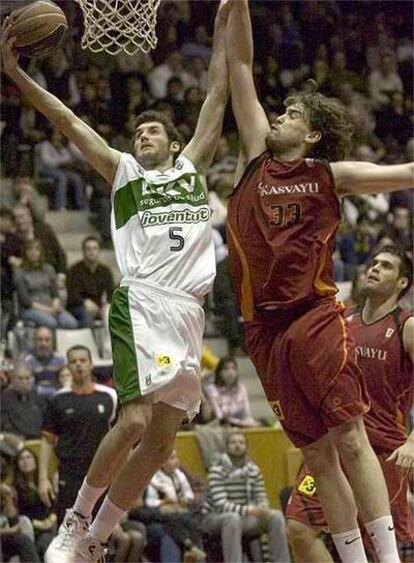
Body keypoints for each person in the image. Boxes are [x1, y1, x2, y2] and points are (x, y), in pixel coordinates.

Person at [1, 1, 231, 560]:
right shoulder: (124, 172)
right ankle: (73, 522)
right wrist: (13, 73)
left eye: (154, 130)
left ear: (175, 145)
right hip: (143, 300)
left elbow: (219, 94)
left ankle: (97, 539)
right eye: (140, 130)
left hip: (188, 312)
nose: (144, 135)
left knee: (157, 445)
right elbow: (67, 121)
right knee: (131, 419)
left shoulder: (191, 170)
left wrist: (231, 17)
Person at [225, 2, 413, 562]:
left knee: (349, 438)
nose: (278, 117)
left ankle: (384, 555)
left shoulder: (329, 176)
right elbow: (239, 65)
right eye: (278, 111)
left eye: (290, 115)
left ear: (310, 136)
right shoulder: (257, 158)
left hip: (312, 316)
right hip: (262, 330)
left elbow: (406, 173)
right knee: (317, 452)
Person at [286, 246, 414, 562]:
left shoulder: (407, 326)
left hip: (383, 452)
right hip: (335, 446)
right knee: (299, 530)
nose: (374, 269)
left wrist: (413, 441)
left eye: (385, 266)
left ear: (402, 283)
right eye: (373, 263)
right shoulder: (344, 320)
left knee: (386, 549)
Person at [38, 345, 117, 526]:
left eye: (83, 360)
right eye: (74, 361)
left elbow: (118, 438)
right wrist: (43, 479)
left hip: (100, 472)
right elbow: (47, 441)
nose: (79, 365)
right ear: (68, 366)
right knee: (68, 528)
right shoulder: (58, 399)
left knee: (98, 533)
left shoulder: (109, 396)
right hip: (69, 473)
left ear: (91, 364)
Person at [202, 430, 291, 562]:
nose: (237, 445)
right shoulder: (217, 470)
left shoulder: (253, 469)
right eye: (233, 442)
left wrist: (262, 509)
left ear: (246, 447)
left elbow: (260, 495)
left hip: (244, 517)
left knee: (276, 516)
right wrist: (249, 510)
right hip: (214, 517)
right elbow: (221, 505)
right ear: (226, 447)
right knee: (232, 519)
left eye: (241, 442)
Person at [14, 239, 78, 329]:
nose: (33, 252)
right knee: (51, 323)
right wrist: (47, 310)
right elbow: (26, 301)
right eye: (30, 249)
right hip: (31, 308)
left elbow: (55, 293)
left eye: (37, 249)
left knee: (71, 323)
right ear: (25, 252)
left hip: (50, 305)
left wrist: (55, 305)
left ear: (41, 252)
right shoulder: (19, 272)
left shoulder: (49, 269)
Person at [13, 447, 57, 560]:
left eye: (28, 457)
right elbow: (19, 515)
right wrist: (40, 524)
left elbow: (55, 505)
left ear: (35, 460)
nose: (25, 461)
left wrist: (52, 518)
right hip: (30, 529)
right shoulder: (15, 488)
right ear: (17, 464)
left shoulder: (45, 482)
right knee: (46, 540)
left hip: (50, 525)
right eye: (21, 459)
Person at [66, 236, 115, 328]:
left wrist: (106, 304)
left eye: (95, 248)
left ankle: (108, 342)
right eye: (88, 249)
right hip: (79, 306)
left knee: (110, 314)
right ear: (84, 252)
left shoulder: (105, 271)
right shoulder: (74, 270)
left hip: (100, 307)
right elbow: (73, 295)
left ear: (99, 251)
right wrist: (85, 302)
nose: (92, 252)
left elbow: (110, 292)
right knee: (87, 317)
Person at [204, 357, 259, 427]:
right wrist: (241, 423)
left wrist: (250, 423)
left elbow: (247, 415)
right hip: (221, 428)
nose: (230, 372)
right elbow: (220, 418)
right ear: (219, 372)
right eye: (226, 369)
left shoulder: (241, 388)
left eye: (233, 368)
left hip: (241, 426)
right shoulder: (211, 389)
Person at [0, 363, 47, 441]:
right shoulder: (3, 400)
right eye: (20, 378)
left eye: (27, 378)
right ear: (12, 380)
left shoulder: (39, 398)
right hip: (15, 442)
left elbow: (46, 422)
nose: (24, 382)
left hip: (39, 440)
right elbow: (5, 426)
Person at [20, 326, 65, 397]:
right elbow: (27, 385)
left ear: (53, 342)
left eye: (47, 340)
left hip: (58, 398)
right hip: (36, 399)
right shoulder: (28, 361)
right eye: (39, 340)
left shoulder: (60, 360)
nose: (43, 344)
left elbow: (65, 382)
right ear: (34, 342)